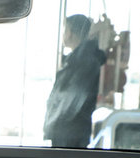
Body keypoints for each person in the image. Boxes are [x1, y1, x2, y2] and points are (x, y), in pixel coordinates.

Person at [44, 14, 106, 148]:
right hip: (68, 131)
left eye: (65, 29)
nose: (63, 34)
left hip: (69, 133)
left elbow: (72, 99)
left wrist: (56, 122)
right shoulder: (77, 59)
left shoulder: (84, 61)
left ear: (70, 33)